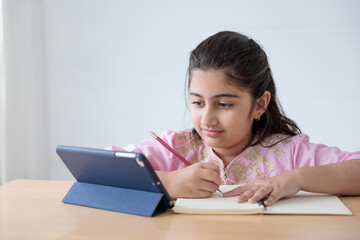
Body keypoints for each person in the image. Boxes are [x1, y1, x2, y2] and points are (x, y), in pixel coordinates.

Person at [109, 31, 360, 206]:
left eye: (224, 104)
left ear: (259, 104)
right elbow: (96, 170)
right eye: (197, 102)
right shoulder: (175, 147)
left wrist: (297, 178)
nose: (207, 119)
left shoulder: (289, 154)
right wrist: (170, 182)